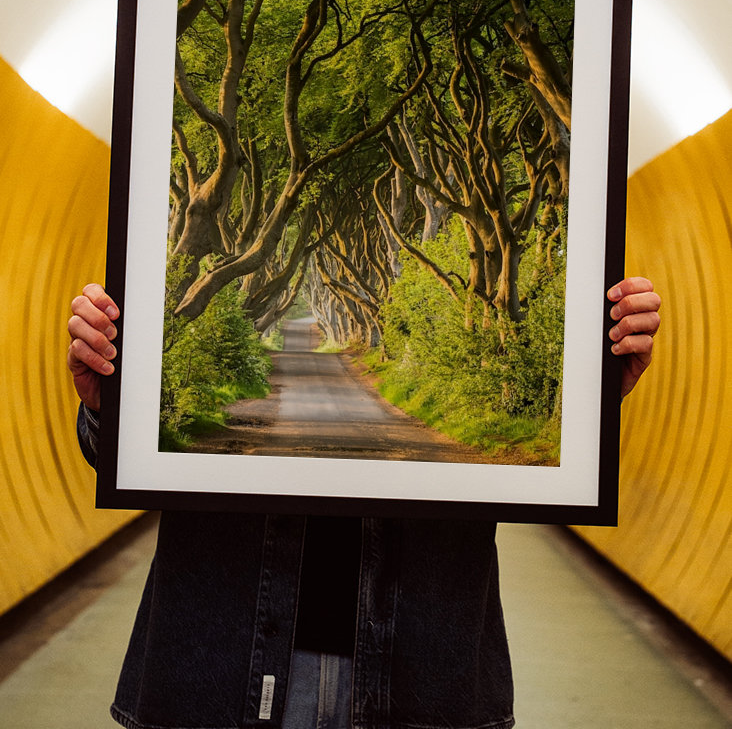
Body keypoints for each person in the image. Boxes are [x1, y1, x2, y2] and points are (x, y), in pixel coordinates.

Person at [68, 277, 661, 729]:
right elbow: (125, 459)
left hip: (424, 674)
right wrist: (111, 407)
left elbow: (546, 466)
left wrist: (586, 401)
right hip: (216, 666)